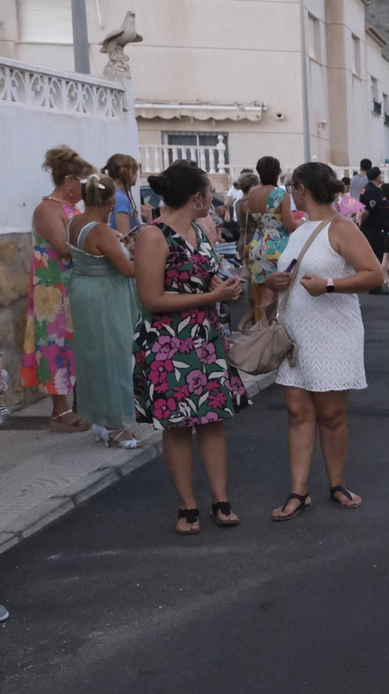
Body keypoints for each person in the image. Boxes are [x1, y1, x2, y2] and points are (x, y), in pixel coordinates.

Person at [262, 163, 385, 521]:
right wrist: (276, 281)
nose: (289, 195)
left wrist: (329, 285)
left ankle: (336, 484)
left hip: (333, 331)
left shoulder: (342, 227)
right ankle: (298, 492)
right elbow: (295, 273)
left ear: (302, 189)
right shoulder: (300, 230)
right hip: (297, 332)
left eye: (291, 188)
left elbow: (373, 274)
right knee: (298, 413)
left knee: (331, 414)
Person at [132, 162, 250, 534]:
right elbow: (150, 298)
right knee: (178, 425)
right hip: (168, 342)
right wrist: (210, 295)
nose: (211, 202)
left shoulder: (201, 229)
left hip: (205, 336)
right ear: (197, 197)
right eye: (208, 195)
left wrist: (223, 288)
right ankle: (187, 505)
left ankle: (220, 499)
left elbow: (203, 277)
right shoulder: (154, 236)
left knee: (213, 421)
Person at [67, 171, 142, 449]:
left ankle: (99, 420)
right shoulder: (99, 230)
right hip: (106, 295)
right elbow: (129, 269)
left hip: (83, 292)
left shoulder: (74, 222)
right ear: (110, 201)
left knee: (94, 356)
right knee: (115, 357)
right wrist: (138, 251)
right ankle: (115, 427)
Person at [25, 146, 91, 433]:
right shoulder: (47, 209)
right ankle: (58, 410)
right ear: (70, 181)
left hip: (70, 286)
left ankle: (75, 404)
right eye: (82, 182)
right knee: (54, 346)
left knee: (74, 346)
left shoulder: (72, 208)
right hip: (51, 291)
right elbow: (63, 248)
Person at [244, 156, 301, 321]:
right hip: (276, 245)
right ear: (278, 173)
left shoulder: (253, 192)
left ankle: (262, 331)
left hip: (258, 243)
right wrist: (302, 223)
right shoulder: (280, 194)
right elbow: (289, 225)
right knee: (274, 295)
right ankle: (272, 333)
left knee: (263, 295)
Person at [103, 153, 143, 235]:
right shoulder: (121, 199)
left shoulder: (113, 194)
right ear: (128, 173)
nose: (137, 175)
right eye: (135, 172)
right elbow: (125, 235)